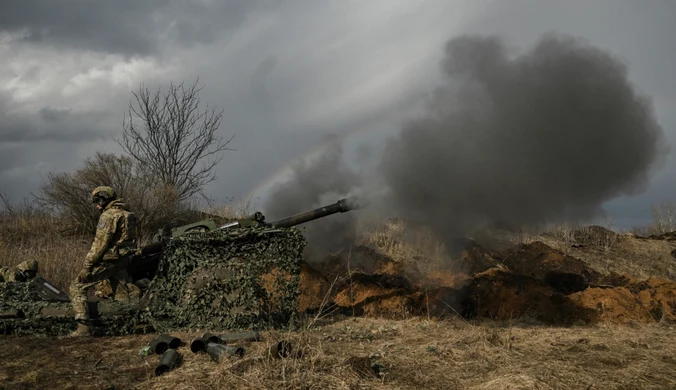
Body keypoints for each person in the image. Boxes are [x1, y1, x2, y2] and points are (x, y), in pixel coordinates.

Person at [68, 186, 140, 337]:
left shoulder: (108, 216)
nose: (96, 205)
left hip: (108, 260)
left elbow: (100, 244)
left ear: (103, 199)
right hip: (123, 259)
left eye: (97, 201)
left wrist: (87, 266)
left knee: (77, 286)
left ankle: (83, 328)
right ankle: (126, 325)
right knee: (121, 291)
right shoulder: (129, 215)